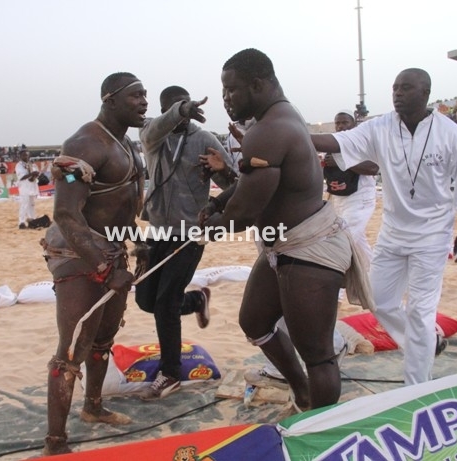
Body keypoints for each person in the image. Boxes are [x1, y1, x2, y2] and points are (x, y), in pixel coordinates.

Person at [200, 49, 370, 412]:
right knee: (255, 321)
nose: (225, 100)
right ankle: (302, 391)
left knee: (318, 354)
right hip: (283, 246)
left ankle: (320, 433)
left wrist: (212, 226)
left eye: (231, 90)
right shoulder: (279, 119)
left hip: (309, 246)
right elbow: (250, 185)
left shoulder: (268, 129)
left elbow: (245, 211)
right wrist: (217, 203)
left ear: (257, 85)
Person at [311, 68, 457, 386]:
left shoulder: (451, 134)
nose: (397, 93)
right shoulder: (379, 127)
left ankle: (416, 389)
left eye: (406, 88)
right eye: (394, 88)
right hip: (393, 233)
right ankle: (426, 343)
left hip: (433, 236)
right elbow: (336, 141)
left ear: (425, 92)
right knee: (378, 300)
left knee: (422, 311)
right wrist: (290, 136)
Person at [39, 72, 147, 455]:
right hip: (77, 254)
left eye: (145, 94)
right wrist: (104, 267)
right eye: (136, 95)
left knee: (103, 340)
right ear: (110, 99)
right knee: (71, 352)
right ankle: (55, 444)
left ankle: (94, 407)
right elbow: (66, 215)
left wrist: (142, 241)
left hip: (113, 251)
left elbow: (123, 206)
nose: (144, 101)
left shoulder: (128, 144)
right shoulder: (86, 142)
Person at [135, 85, 236, 400]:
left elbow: (232, 184)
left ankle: (170, 374)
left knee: (165, 302)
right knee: (146, 301)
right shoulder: (152, 134)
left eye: (183, 105)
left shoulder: (205, 139)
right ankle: (196, 301)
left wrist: (225, 171)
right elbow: (156, 127)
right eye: (172, 108)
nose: (179, 112)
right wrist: (179, 111)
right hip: (158, 232)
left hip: (191, 232)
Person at [321, 110, 378, 265]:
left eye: (345, 122)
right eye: (337, 123)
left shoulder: (363, 143)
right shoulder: (333, 145)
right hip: (338, 200)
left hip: (359, 199)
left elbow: (373, 168)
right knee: (358, 244)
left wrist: (343, 161)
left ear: (353, 124)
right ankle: (373, 274)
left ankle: (336, 288)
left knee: (340, 242)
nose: (341, 126)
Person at [15, 149, 40, 229]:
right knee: (24, 204)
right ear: (20, 156)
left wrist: (35, 175)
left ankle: (32, 220)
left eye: (26, 155)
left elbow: (34, 176)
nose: (25, 156)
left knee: (32, 204)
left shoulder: (32, 164)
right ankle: (21, 222)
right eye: (23, 155)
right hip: (24, 187)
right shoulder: (19, 165)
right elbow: (21, 177)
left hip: (32, 186)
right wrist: (31, 174)